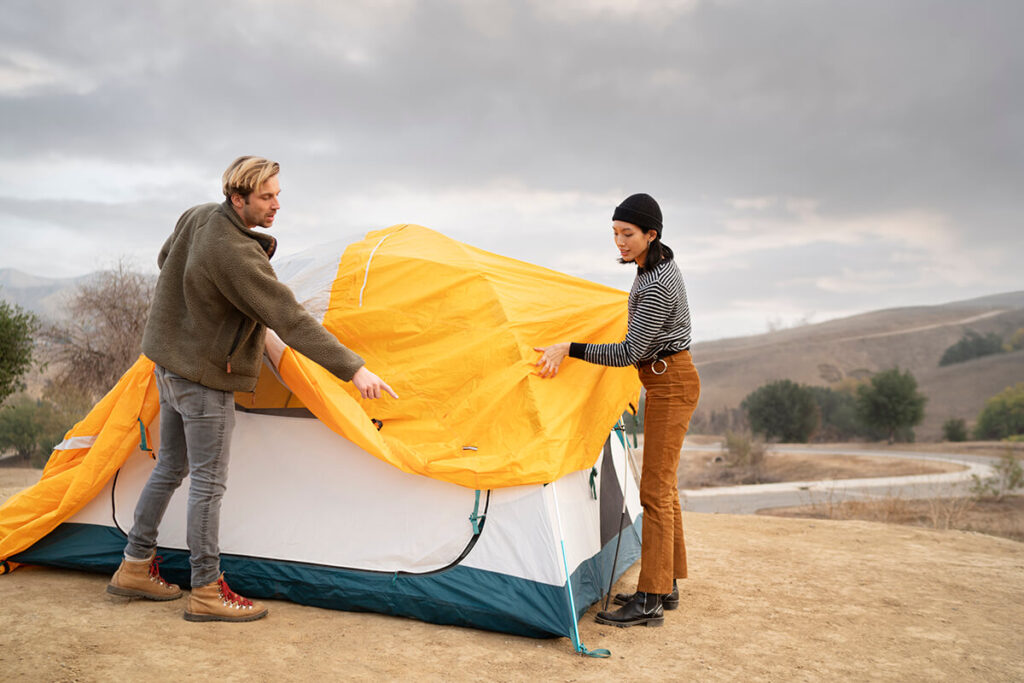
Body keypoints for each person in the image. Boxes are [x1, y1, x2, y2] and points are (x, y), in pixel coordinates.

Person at [106, 156, 397, 622]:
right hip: (203, 380)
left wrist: (204, 307)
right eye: (267, 196)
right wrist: (354, 369)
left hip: (170, 365)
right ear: (237, 198)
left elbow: (168, 260)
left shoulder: (199, 215)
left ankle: (134, 564)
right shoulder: (237, 255)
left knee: (172, 467)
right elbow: (291, 318)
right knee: (207, 484)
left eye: (278, 193)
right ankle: (205, 590)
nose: (277, 204)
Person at [534, 193, 699, 628]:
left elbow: (630, 352)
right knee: (665, 487)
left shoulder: (658, 282)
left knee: (655, 491)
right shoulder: (649, 269)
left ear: (651, 234)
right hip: (665, 381)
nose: (619, 242)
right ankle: (665, 584)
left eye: (627, 234)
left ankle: (649, 601)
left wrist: (569, 348)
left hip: (671, 384)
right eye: (615, 233)